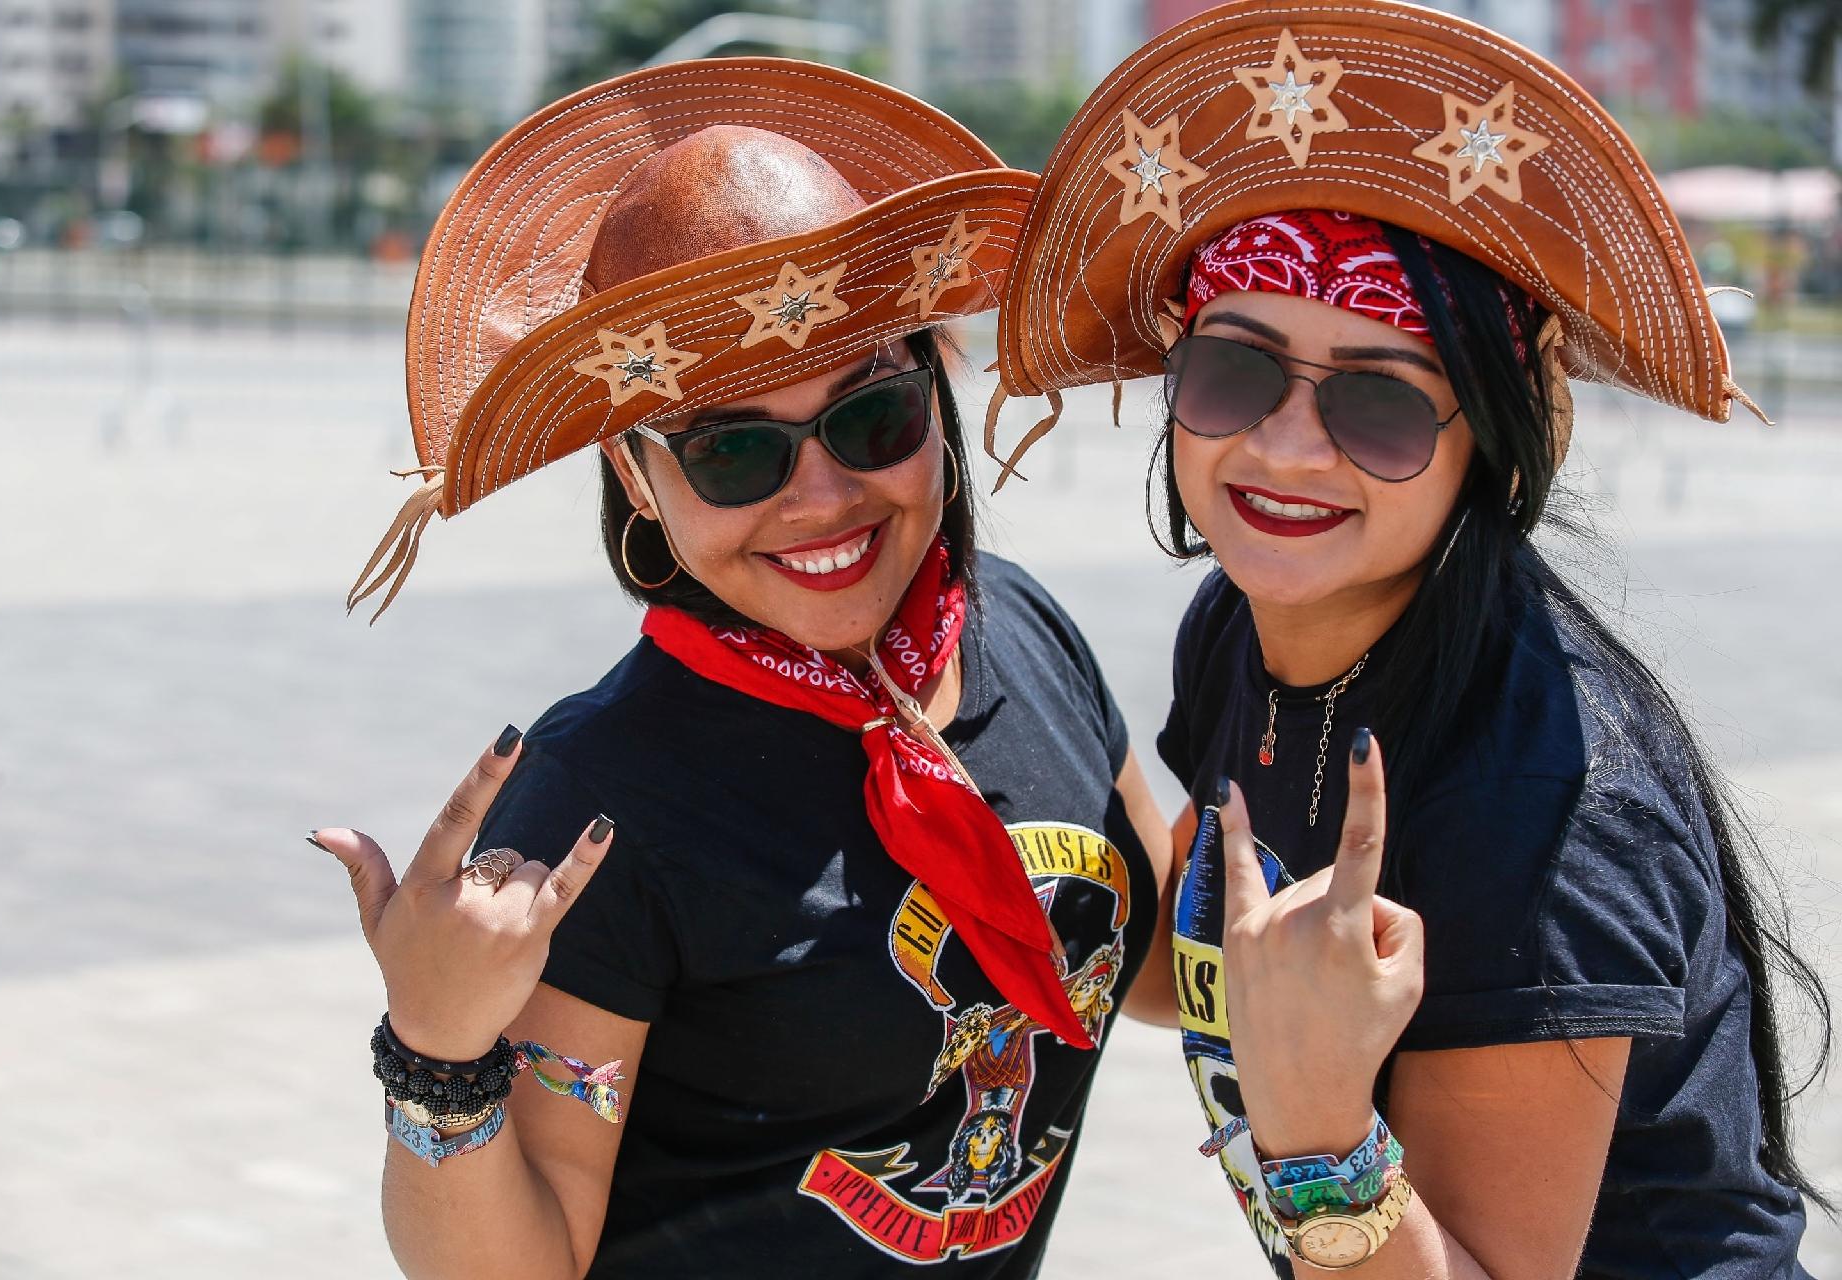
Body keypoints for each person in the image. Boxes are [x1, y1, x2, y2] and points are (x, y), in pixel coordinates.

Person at [990, 3, 1831, 1275]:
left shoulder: (1544, 810)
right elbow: (1193, 969)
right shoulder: (1243, 629)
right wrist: (976, 729)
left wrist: (1318, 1122)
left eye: (1380, 402)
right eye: (1235, 372)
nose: (1282, 449)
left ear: (1487, 441)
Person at [309, 58, 1169, 1278]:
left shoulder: (1022, 632)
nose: (820, 496)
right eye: (734, 453)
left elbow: (1158, 967)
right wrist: (438, 1047)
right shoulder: (598, 806)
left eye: (872, 415)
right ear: (638, 482)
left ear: (937, 387)